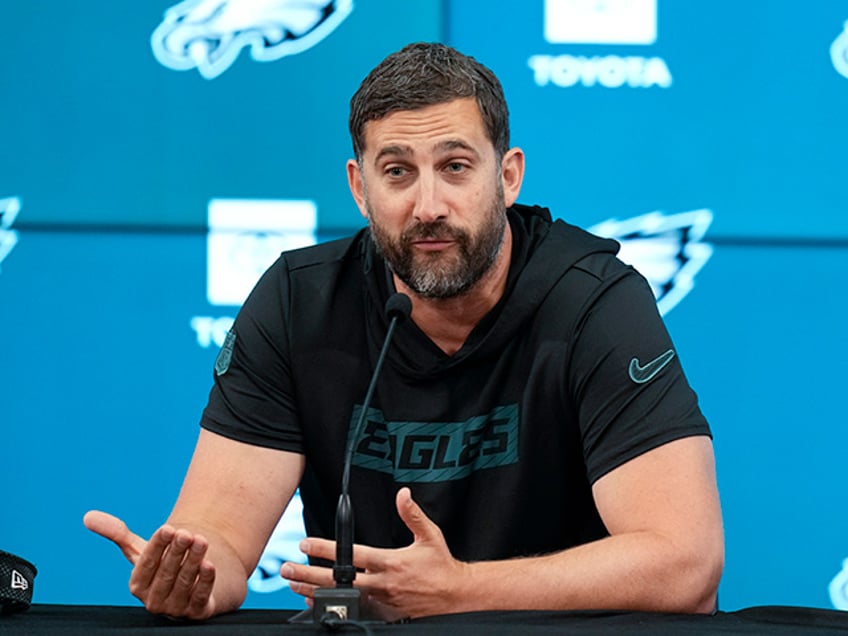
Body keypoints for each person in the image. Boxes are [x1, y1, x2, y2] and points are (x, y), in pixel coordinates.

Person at [84, 42, 724, 621]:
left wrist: (461, 590)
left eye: (455, 167)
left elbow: (686, 563)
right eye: (397, 172)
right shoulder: (299, 301)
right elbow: (219, 538)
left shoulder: (592, 299)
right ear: (360, 189)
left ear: (507, 177)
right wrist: (197, 578)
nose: (428, 207)